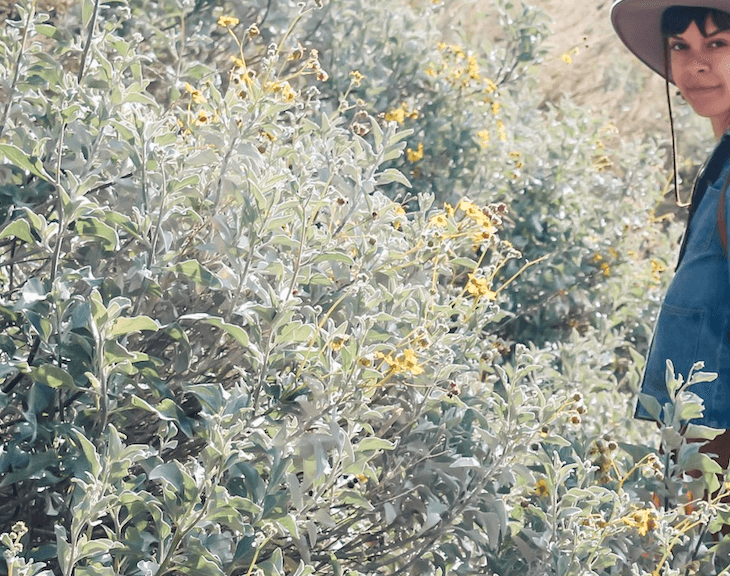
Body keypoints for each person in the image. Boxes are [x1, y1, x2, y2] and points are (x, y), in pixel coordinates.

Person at [611, 1, 730, 469]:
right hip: (701, 448)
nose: (695, 64)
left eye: (717, 44)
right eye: (680, 45)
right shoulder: (721, 162)